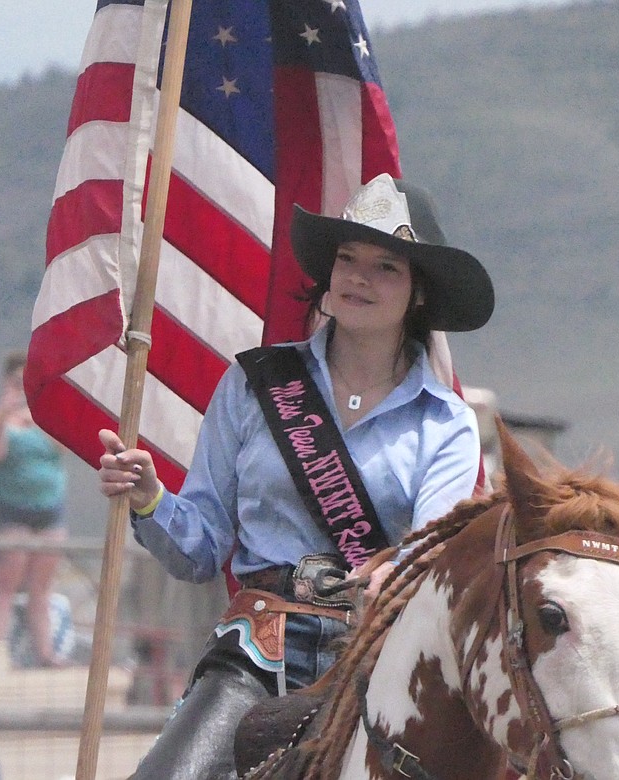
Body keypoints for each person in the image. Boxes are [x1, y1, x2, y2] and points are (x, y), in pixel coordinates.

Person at [98, 173, 494, 779]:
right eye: (347, 259)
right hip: (257, 654)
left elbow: (428, 553)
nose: (358, 277)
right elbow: (199, 550)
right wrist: (150, 499)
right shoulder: (255, 386)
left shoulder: (448, 425)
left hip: (379, 663)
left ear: (419, 293)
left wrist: (396, 570)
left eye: (386, 266)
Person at [0, 350, 69, 667]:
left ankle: (45, 652)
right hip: (9, 509)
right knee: (8, 577)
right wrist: (6, 413)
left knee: (41, 586)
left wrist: (42, 409)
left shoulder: (49, 416)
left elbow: (63, 445)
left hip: (47, 509)